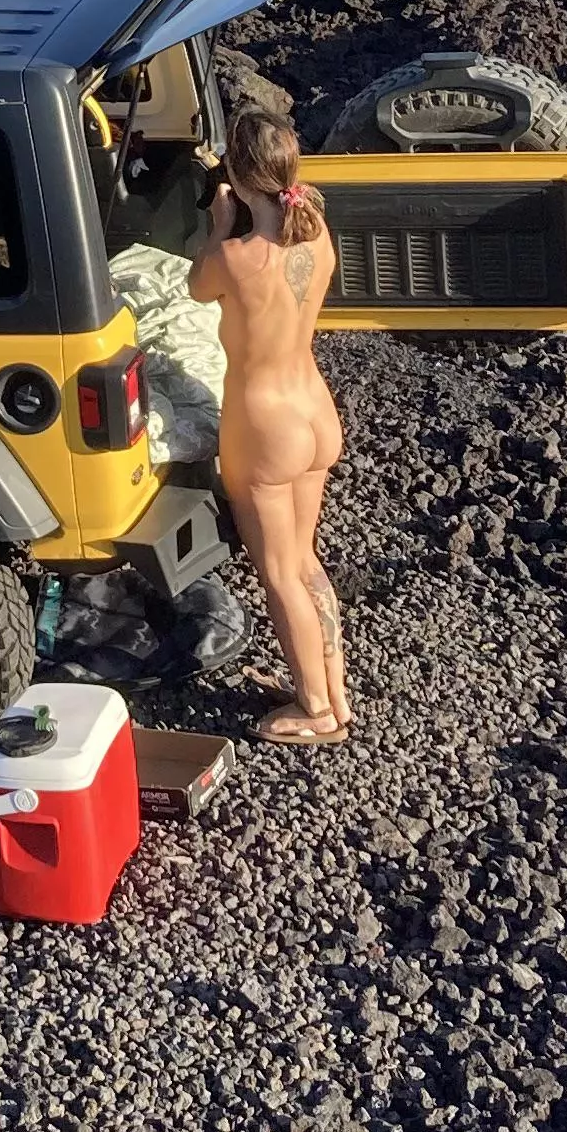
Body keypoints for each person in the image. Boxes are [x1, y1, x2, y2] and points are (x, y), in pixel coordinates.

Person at [189, 104, 351, 744]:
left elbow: (197, 287)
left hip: (264, 425)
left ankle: (316, 711)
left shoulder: (234, 258)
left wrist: (218, 224)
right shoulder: (317, 232)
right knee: (304, 559)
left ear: (236, 173)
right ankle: (332, 690)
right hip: (314, 409)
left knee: (279, 572)